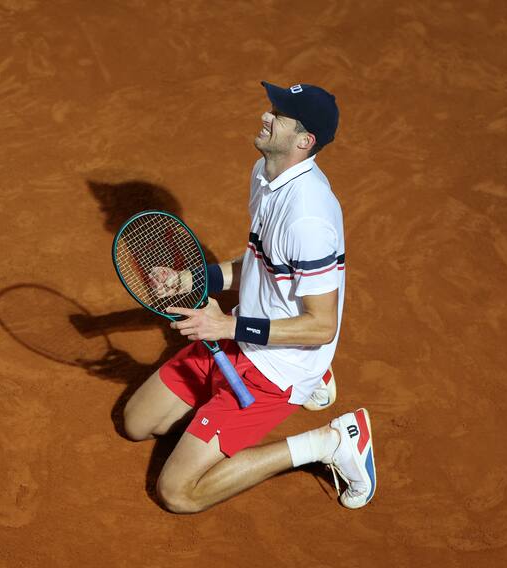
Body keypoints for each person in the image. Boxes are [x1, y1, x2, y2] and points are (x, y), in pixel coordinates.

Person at [122, 81, 376, 513]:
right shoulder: (265, 174)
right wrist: (189, 278)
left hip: (276, 369)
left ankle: (331, 441)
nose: (265, 116)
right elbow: (261, 263)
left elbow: (321, 325)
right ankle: (314, 379)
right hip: (240, 337)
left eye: (278, 115)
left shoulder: (308, 218)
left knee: (178, 493)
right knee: (137, 423)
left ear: (304, 141)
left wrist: (226, 325)